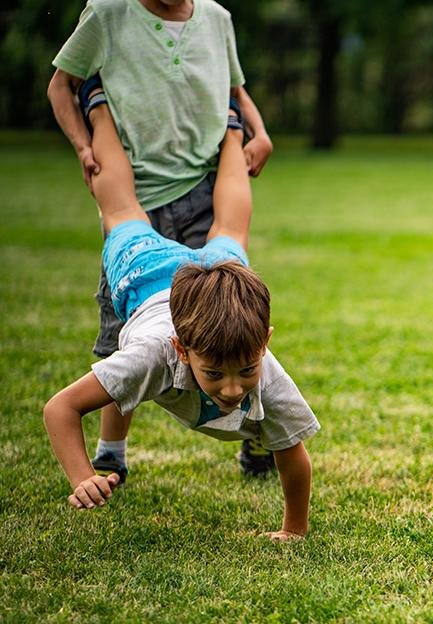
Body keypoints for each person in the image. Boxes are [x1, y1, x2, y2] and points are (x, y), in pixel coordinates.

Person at [42, 85, 317, 541]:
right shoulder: (153, 354)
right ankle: (100, 107)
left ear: (264, 340)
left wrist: (294, 531)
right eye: (215, 374)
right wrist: (80, 475)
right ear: (181, 350)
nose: (233, 388)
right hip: (146, 276)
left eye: (246, 370)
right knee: (121, 208)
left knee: (231, 228)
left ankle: (231, 129)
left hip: (213, 277)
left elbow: (293, 454)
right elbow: (61, 409)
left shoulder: (265, 368)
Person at [47, 0, 276, 482]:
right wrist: (84, 144)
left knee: (233, 325)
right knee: (120, 337)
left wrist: (256, 129)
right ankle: (112, 451)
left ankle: (260, 439)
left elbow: (235, 89)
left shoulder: (216, 18)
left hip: (201, 185)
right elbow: (58, 85)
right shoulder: (107, 14)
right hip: (138, 185)